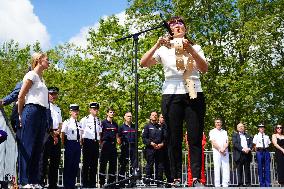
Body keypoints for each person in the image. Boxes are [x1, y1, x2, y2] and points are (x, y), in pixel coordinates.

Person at [140, 16, 208, 187]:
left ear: (185, 28)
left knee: (194, 137)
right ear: (170, 31)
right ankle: (175, 177)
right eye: (173, 24)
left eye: (180, 23)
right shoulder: (164, 49)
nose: (177, 26)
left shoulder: (196, 47)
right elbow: (143, 63)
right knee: (173, 138)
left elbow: (204, 68)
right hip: (171, 92)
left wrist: (190, 49)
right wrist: (157, 44)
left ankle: (196, 178)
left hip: (193, 90)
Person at [17, 52, 50, 187]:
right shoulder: (31, 75)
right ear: (39, 60)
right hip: (31, 110)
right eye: (47, 60)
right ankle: (24, 181)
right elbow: (21, 96)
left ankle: (33, 180)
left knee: (37, 148)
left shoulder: (42, 80)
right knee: (28, 146)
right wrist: (20, 114)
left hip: (42, 113)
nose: (49, 62)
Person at [41, 87, 62, 189]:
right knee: (44, 160)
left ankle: (52, 184)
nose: (53, 96)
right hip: (47, 135)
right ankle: (41, 182)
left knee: (55, 161)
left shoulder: (58, 108)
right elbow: (44, 123)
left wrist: (57, 132)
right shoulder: (44, 106)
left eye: (55, 94)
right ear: (47, 94)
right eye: (51, 94)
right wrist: (52, 134)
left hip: (56, 135)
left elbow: (60, 123)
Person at [80, 102, 102, 188]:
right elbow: (81, 132)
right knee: (86, 164)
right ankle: (85, 183)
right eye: (94, 109)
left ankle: (92, 183)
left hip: (95, 143)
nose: (96, 110)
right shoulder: (84, 119)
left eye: (97, 109)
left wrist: (99, 143)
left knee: (94, 164)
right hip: (87, 142)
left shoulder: (98, 120)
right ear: (90, 110)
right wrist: (81, 142)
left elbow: (99, 132)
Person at [142, 111, 166, 186]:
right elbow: (144, 138)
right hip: (150, 149)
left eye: (156, 115)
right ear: (150, 117)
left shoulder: (160, 127)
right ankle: (147, 182)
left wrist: (162, 144)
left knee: (159, 165)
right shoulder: (147, 126)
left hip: (159, 149)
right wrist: (151, 143)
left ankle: (159, 182)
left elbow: (165, 138)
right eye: (153, 115)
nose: (154, 116)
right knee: (149, 165)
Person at [61, 104, 82, 189]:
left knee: (75, 165)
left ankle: (72, 184)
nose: (76, 113)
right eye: (74, 111)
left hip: (77, 145)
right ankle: (67, 185)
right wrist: (64, 144)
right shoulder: (67, 122)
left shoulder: (79, 123)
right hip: (70, 144)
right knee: (68, 165)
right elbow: (62, 134)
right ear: (70, 112)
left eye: (77, 111)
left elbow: (81, 135)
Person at [99, 108, 119, 187]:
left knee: (113, 165)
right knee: (103, 164)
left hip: (113, 146)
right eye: (110, 112)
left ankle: (111, 183)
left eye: (113, 112)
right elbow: (100, 134)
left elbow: (117, 136)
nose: (112, 113)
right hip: (105, 145)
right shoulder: (103, 123)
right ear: (107, 113)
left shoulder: (115, 124)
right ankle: (102, 183)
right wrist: (101, 144)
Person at [117, 111, 137, 187]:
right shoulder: (121, 127)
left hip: (133, 147)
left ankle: (133, 182)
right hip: (125, 147)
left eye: (131, 116)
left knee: (134, 165)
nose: (130, 117)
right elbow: (118, 138)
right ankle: (121, 182)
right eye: (128, 116)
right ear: (124, 117)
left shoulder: (134, 126)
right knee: (123, 165)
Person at [209, 118, 230, 187]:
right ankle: (217, 184)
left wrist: (223, 149)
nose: (218, 123)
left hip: (225, 151)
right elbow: (213, 142)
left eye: (219, 122)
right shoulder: (212, 131)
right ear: (215, 124)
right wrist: (220, 149)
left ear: (221, 123)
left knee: (225, 167)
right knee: (217, 167)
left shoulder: (225, 131)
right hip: (217, 152)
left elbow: (227, 142)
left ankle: (225, 184)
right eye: (216, 122)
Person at [232, 122, 253, 187]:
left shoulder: (248, 135)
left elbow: (251, 143)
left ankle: (248, 183)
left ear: (244, 128)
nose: (241, 127)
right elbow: (235, 144)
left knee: (247, 170)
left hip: (247, 154)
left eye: (242, 126)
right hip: (239, 154)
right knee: (239, 170)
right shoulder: (235, 135)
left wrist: (249, 148)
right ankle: (240, 183)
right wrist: (243, 149)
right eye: (239, 127)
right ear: (237, 128)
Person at [158, 114, 172, 184]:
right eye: (161, 117)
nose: (163, 119)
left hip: (167, 148)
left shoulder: (167, 127)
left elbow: (168, 137)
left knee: (168, 165)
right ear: (159, 118)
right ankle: (159, 182)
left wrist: (163, 143)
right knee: (160, 166)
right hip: (159, 149)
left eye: (164, 117)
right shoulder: (156, 126)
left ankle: (169, 181)